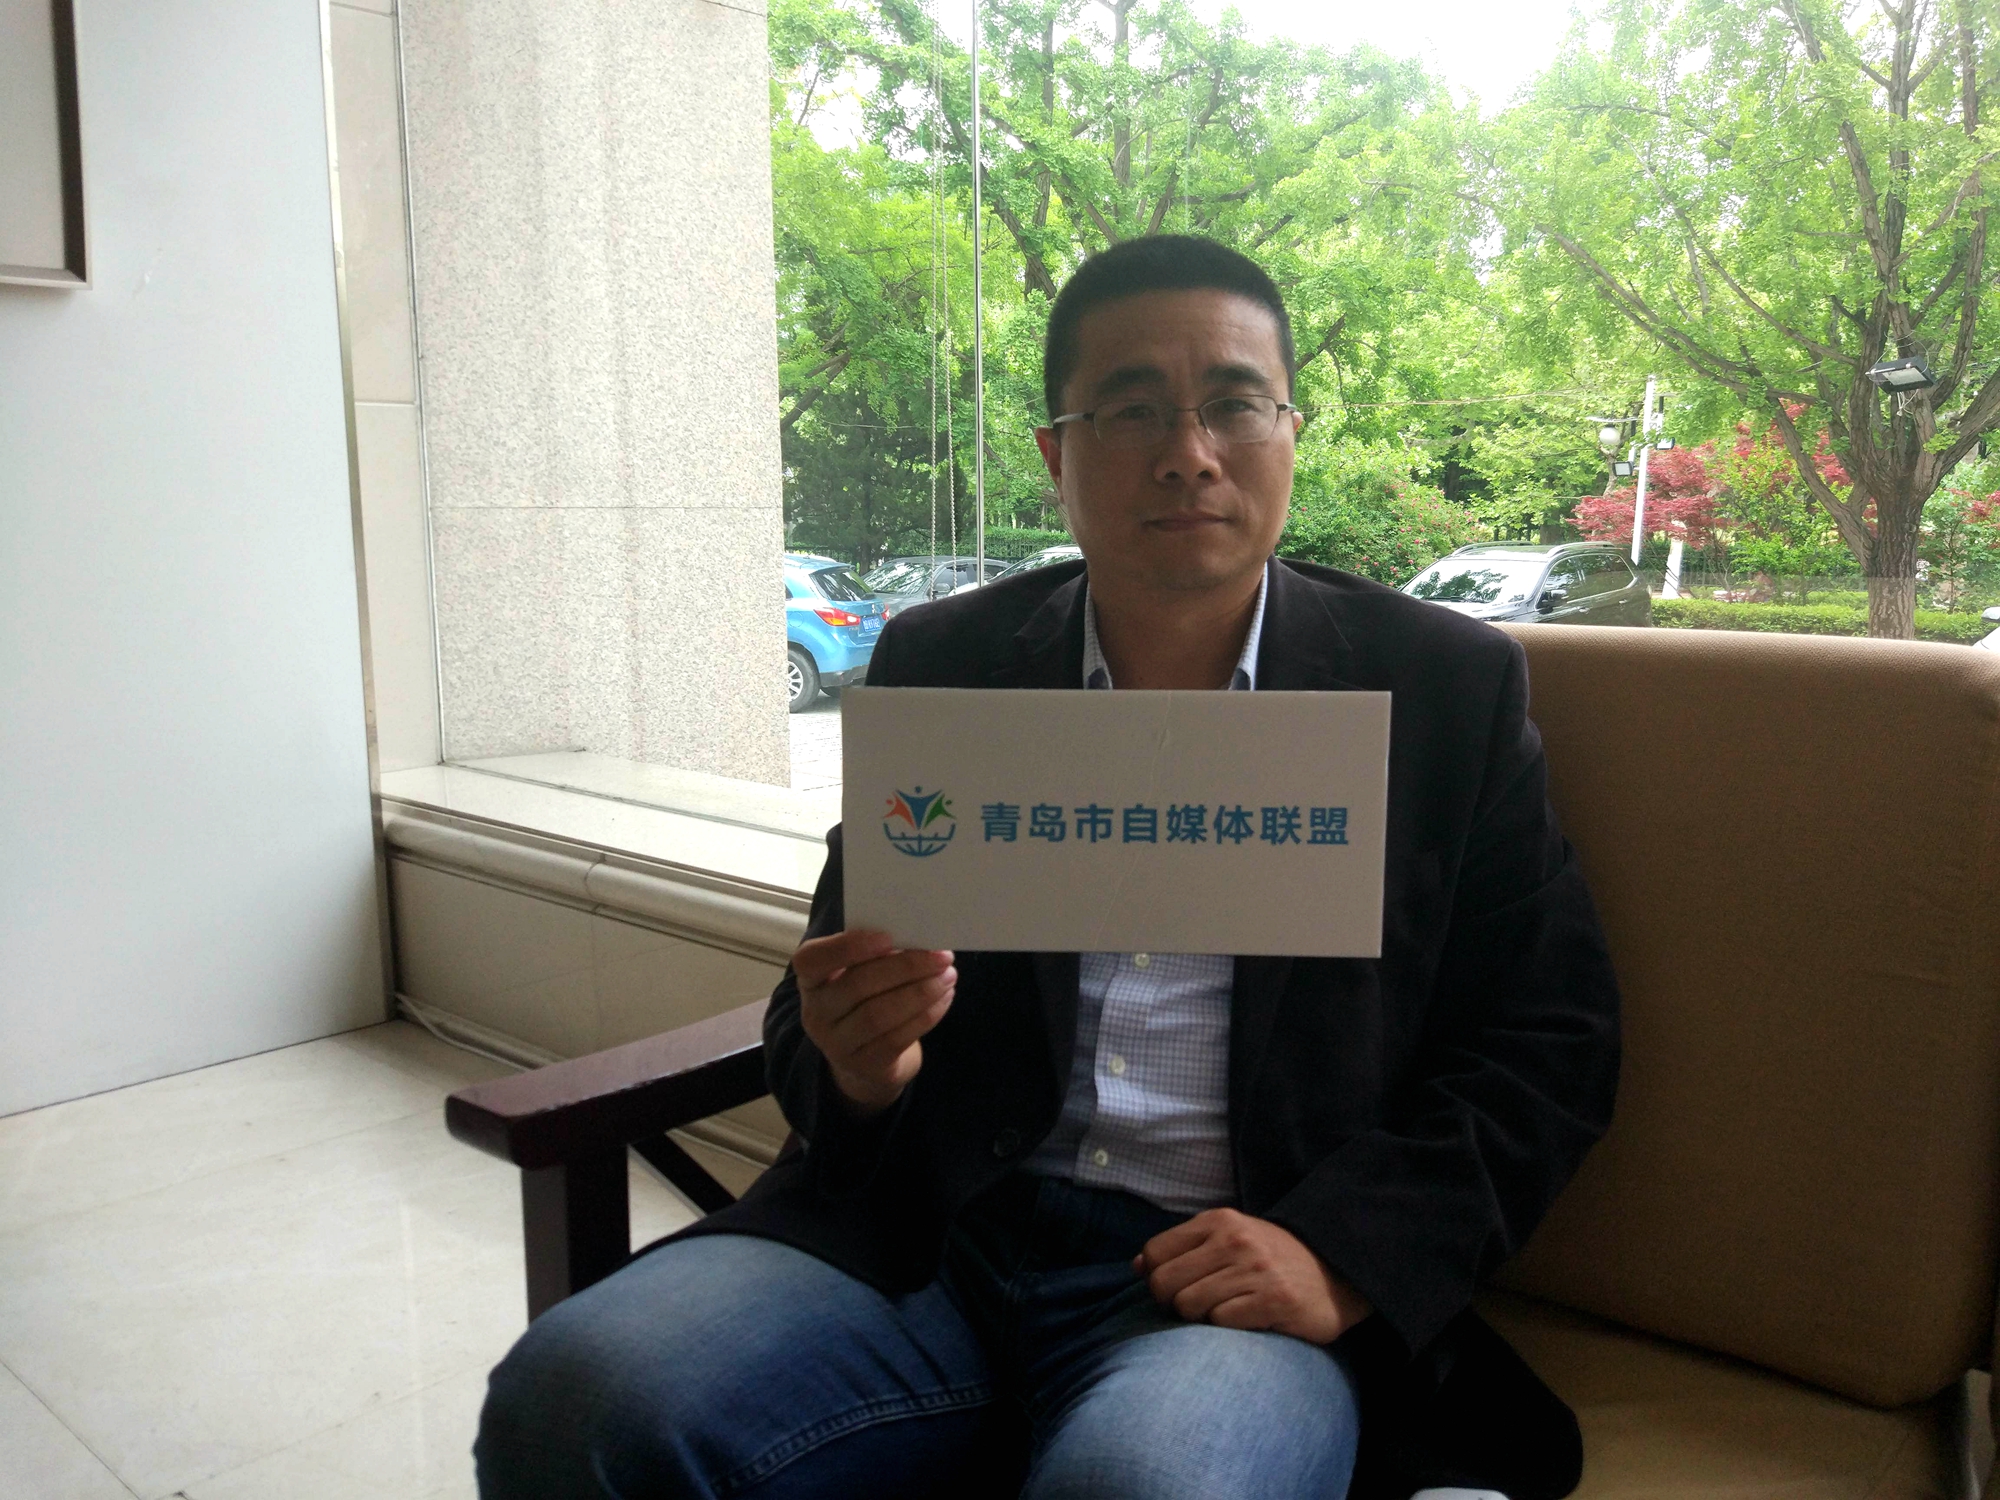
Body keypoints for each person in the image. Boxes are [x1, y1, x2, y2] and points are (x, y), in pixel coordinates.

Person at [474, 235, 1621, 1500]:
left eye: (1234, 403)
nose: (1188, 452)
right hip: (926, 1242)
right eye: (1130, 410)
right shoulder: (944, 666)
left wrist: (1341, 1255)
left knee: (1144, 1486)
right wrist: (858, 1066)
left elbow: (1547, 1041)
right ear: (1052, 454)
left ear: (1289, 431)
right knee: (571, 1397)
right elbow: (823, 1002)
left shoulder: (1437, 690)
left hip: (1218, 1281)